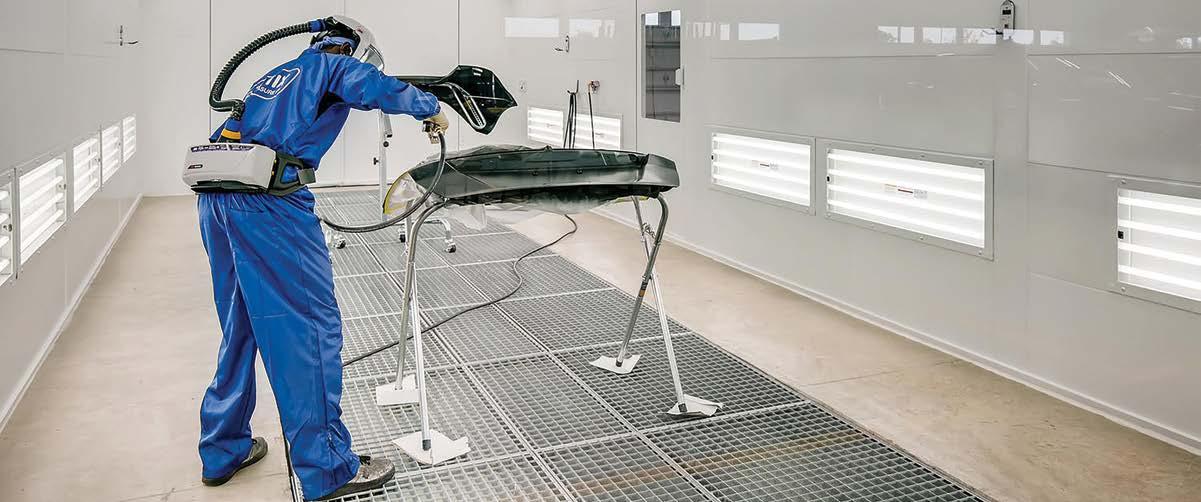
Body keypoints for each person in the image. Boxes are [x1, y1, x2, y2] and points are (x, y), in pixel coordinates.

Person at [195, 18, 449, 501]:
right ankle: (328, 469)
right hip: (268, 207)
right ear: (353, 50)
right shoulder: (332, 66)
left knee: (241, 325)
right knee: (308, 329)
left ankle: (223, 449)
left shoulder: (278, 74)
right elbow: (373, 86)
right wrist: (430, 108)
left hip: (216, 200)